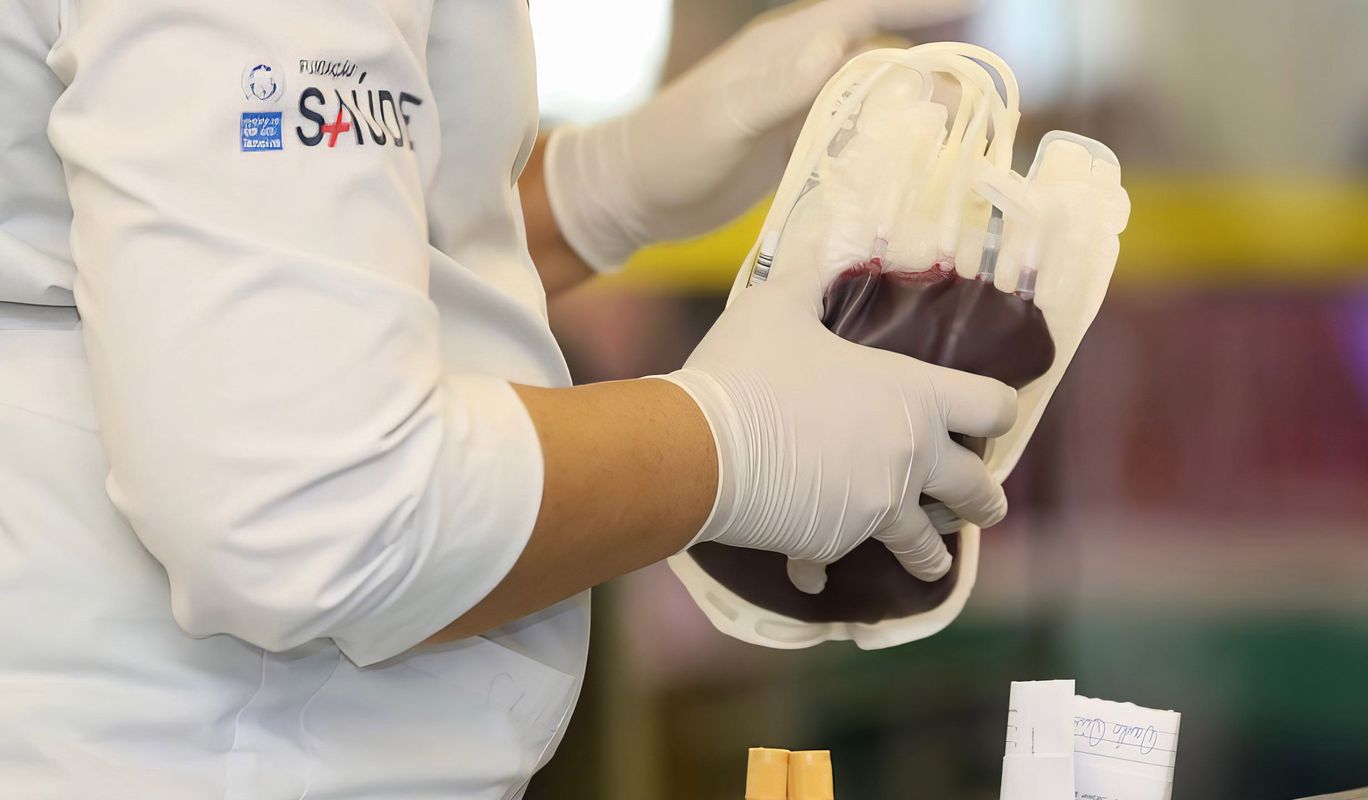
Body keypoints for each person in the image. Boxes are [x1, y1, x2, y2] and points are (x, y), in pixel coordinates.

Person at [0, 0, 1014, 797]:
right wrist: (735, 445)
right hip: (205, 755)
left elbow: (266, 263)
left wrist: (594, 191)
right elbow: (314, 505)